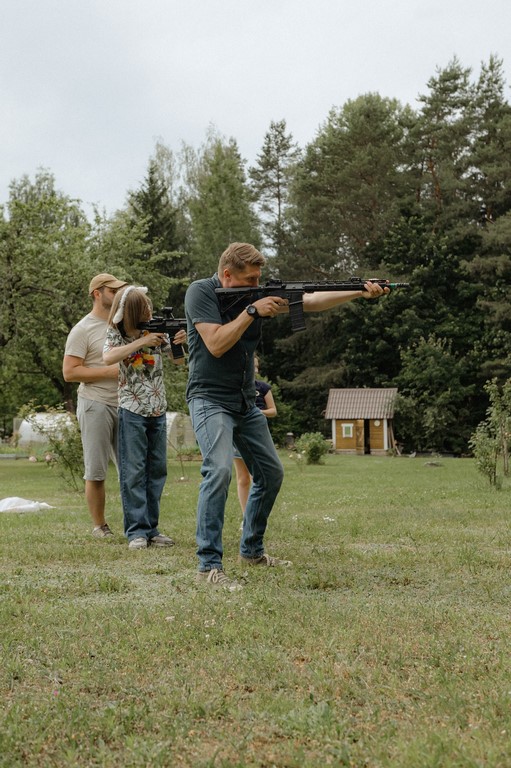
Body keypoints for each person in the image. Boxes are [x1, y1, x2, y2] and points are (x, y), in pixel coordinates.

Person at [184, 241, 388, 590]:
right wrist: (252, 311)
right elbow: (215, 344)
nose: (256, 286)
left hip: (245, 400)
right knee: (218, 471)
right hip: (209, 398)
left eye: (259, 279)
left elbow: (311, 300)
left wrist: (359, 291)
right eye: (250, 280)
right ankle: (208, 568)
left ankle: (251, 551)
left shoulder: (254, 294)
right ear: (227, 275)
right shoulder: (200, 292)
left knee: (271, 473)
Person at [103, 285, 187, 550]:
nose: (149, 311)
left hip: (158, 409)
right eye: (143, 308)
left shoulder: (156, 329)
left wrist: (178, 341)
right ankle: (136, 531)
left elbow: (178, 362)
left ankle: (152, 529)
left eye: (148, 306)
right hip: (132, 410)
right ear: (130, 311)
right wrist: (142, 342)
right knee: (134, 472)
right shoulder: (116, 332)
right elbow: (108, 357)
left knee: (157, 471)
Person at [63, 273, 128, 538]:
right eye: (112, 290)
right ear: (97, 294)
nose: (118, 294)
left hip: (126, 405)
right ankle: (100, 526)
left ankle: (136, 526)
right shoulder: (82, 329)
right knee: (96, 470)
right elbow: (70, 372)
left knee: (131, 470)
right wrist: (110, 372)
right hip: (95, 404)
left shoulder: (123, 324)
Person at [233, 356, 277, 518]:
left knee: (257, 477)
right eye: (254, 366)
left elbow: (273, 411)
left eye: (257, 366)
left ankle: (254, 516)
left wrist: (259, 412)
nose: (256, 370)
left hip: (257, 435)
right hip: (237, 436)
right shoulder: (234, 386)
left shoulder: (263, 387)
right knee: (242, 478)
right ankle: (246, 517)